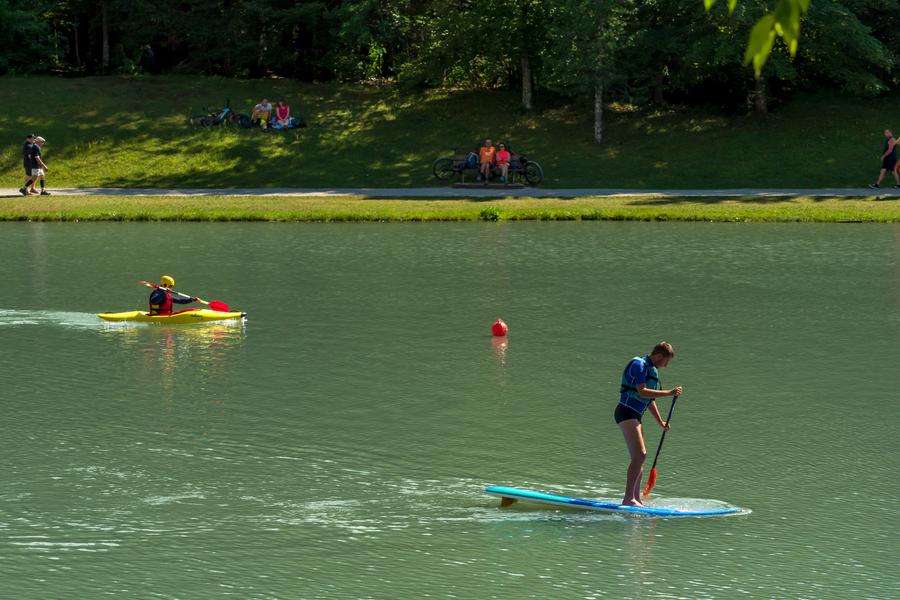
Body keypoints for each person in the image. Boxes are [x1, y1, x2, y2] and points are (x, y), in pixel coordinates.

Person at [615, 341, 683, 507]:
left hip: (636, 414)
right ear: (659, 356)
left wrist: (660, 421)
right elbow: (642, 392)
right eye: (666, 362)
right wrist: (669, 393)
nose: (665, 366)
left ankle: (636, 498)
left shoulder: (652, 370)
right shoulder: (638, 365)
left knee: (640, 458)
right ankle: (628, 499)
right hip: (625, 411)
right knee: (640, 455)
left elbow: (649, 400)